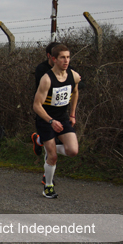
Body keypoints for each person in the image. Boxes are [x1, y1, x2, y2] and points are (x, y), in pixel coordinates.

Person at [33, 44, 81, 199]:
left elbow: (75, 92)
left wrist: (72, 114)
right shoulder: (46, 79)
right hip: (46, 119)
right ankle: (48, 186)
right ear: (53, 59)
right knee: (52, 156)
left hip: (63, 118)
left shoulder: (73, 76)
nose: (66, 60)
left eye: (68, 57)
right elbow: (36, 105)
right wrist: (51, 120)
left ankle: (43, 142)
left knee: (73, 151)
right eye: (62, 57)